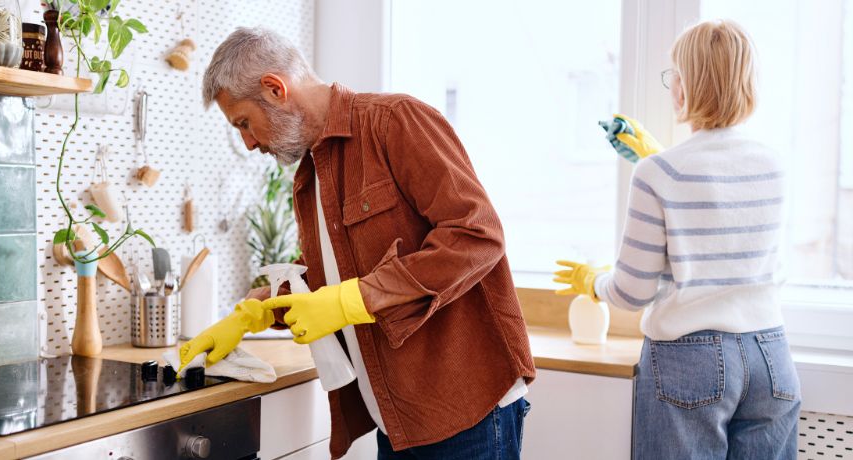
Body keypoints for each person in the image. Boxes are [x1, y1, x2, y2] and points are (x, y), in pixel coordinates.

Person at [179, 27, 535, 459]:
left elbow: (477, 235)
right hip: (398, 420)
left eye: (244, 123)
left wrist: (352, 301)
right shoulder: (310, 174)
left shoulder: (396, 121)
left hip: (465, 413)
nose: (249, 142)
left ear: (275, 89)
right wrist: (256, 310)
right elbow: (338, 267)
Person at [555, 20, 801, 459]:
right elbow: (726, 228)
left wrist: (592, 282)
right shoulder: (775, 164)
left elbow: (632, 292)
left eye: (674, 76)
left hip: (691, 362)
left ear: (686, 87)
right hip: (772, 358)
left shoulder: (659, 173)